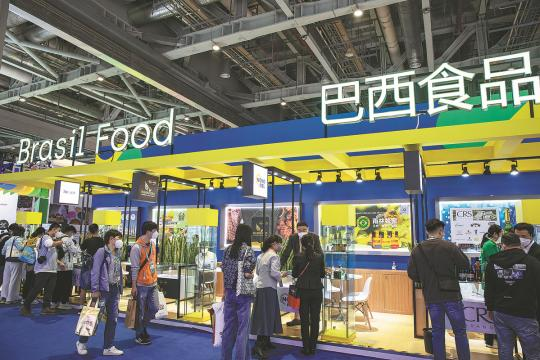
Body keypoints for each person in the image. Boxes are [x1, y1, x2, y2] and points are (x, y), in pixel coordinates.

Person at [407, 218, 471, 360]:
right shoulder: (449, 246)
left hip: (431, 295)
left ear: (427, 231)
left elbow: (411, 273)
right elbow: (465, 265)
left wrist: (425, 280)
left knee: (437, 332)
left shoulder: (417, 249)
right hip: (452, 295)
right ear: (441, 232)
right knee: (460, 331)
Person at [484, 233, 540, 360]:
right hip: (525, 311)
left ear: (503, 245)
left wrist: (490, 307)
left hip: (501, 311)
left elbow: (489, 288)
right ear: (519, 244)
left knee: (504, 348)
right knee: (532, 351)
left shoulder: (492, 262)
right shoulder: (531, 262)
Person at [76, 229, 124, 356]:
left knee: (113, 319)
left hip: (114, 289)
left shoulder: (118, 253)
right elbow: (95, 271)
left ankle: (108, 346)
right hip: (102, 289)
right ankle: (81, 342)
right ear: (110, 239)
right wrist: (95, 289)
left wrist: (120, 288)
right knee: (93, 316)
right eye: (117, 238)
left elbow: (118, 270)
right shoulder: (101, 252)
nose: (119, 241)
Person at [221, 224, 256, 360]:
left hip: (229, 292)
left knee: (228, 328)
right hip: (242, 294)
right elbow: (247, 274)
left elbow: (224, 268)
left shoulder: (228, 249)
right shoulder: (248, 251)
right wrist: (252, 275)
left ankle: (226, 357)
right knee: (242, 330)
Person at [280, 221, 322, 327]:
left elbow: (320, 253)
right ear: (296, 230)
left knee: (309, 295)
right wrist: (278, 266)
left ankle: (313, 317)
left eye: (304, 230)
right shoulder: (293, 238)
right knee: (296, 294)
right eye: (299, 230)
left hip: (311, 268)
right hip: (298, 267)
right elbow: (286, 253)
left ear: (308, 229)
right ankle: (297, 317)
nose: (301, 232)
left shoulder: (314, 237)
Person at [250, 235, 284, 359]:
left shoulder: (260, 256)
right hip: (269, 289)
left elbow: (258, 272)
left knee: (263, 315)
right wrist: (282, 275)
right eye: (280, 243)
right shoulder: (274, 256)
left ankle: (266, 342)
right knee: (267, 315)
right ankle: (259, 345)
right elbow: (274, 273)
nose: (281, 246)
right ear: (274, 244)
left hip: (260, 288)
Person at [292, 233, 325, 355]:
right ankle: (313, 347)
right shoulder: (319, 257)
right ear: (313, 243)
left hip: (303, 291)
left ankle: (305, 347)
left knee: (304, 320)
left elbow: (295, 274)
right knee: (315, 319)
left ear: (302, 245)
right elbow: (322, 274)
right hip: (317, 291)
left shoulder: (298, 257)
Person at [21, 222, 63, 316]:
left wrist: (59, 262)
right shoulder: (46, 237)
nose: (58, 233)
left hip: (52, 269)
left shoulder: (50, 238)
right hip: (43, 269)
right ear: (54, 229)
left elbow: (51, 254)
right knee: (37, 288)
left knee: (49, 290)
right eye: (58, 230)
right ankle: (26, 306)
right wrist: (60, 242)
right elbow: (49, 244)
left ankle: (46, 307)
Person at [130, 221, 159, 345]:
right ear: (148, 231)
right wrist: (133, 285)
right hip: (141, 284)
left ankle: (143, 327)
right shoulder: (136, 247)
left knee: (154, 308)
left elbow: (152, 263)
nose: (156, 233)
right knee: (140, 311)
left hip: (153, 282)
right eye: (154, 230)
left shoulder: (152, 244)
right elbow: (135, 268)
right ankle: (139, 333)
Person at [479, 224, 502, 348]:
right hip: (491, 279)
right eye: (500, 233)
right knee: (491, 309)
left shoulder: (490, 244)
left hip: (490, 278)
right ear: (495, 234)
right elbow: (496, 260)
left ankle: (491, 340)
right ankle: (490, 340)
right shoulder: (490, 245)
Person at [52, 225, 80, 310]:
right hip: (67, 265)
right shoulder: (68, 239)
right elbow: (74, 250)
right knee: (66, 285)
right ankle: (63, 303)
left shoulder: (56, 238)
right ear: (70, 231)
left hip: (57, 264)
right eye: (72, 232)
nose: (72, 234)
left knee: (57, 284)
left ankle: (54, 302)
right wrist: (78, 248)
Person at [79, 224, 104, 307]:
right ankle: (97, 307)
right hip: (99, 266)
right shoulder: (102, 241)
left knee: (83, 287)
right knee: (98, 287)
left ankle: (81, 306)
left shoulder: (87, 240)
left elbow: (81, 249)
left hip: (87, 265)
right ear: (97, 230)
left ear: (89, 231)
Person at [1, 225, 26, 304]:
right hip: (17, 261)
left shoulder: (9, 239)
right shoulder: (20, 239)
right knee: (14, 279)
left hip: (7, 260)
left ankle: (3, 297)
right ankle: (11, 298)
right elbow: (21, 248)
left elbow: (3, 252)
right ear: (21, 233)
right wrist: (27, 244)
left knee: (6, 279)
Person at [21, 227, 46, 303]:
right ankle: (30, 299)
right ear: (42, 233)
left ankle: (24, 298)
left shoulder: (30, 239)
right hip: (34, 263)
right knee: (33, 281)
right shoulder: (38, 240)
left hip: (28, 261)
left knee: (28, 280)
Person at [0, 223, 18, 292]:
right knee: (2, 278)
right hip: (4, 260)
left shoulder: (3, 235)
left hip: (3, 259)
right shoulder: (9, 238)